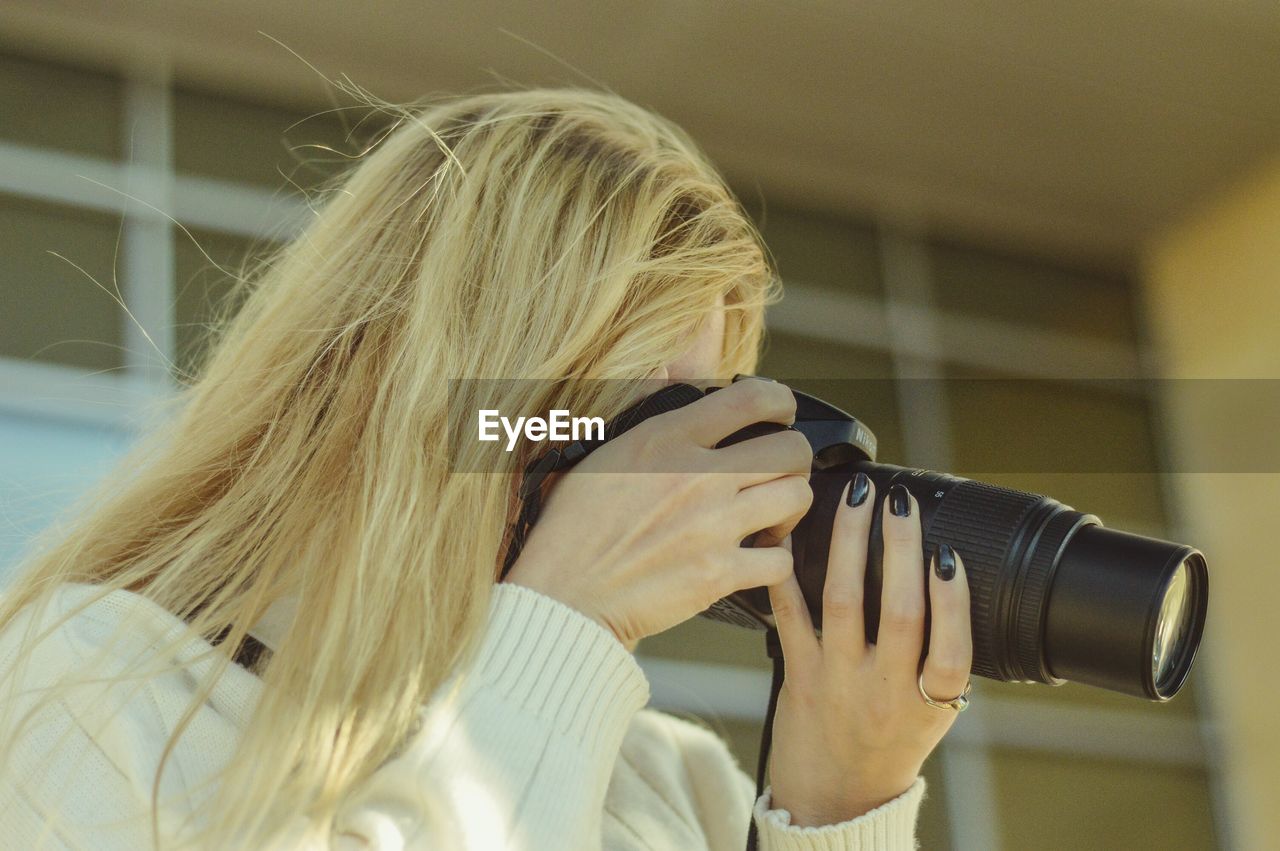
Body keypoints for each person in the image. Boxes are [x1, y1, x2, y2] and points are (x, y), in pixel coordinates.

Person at [0, 87, 973, 849]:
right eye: (651, 407)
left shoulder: (671, 783)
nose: (683, 469)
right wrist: (564, 625)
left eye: (707, 404)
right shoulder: (101, 687)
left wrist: (835, 812)